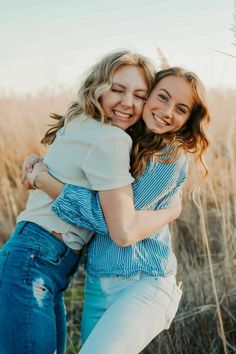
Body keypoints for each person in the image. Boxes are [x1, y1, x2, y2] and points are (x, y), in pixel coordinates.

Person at [0, 51, 183, 354]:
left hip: (37, 262)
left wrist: (42, 176)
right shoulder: (112, 138)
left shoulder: (79, 120)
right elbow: (119, 228)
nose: (128, 102)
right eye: (117, 89)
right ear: (97, 87)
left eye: (139, 95)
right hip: (34, 262)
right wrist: (171, 212)